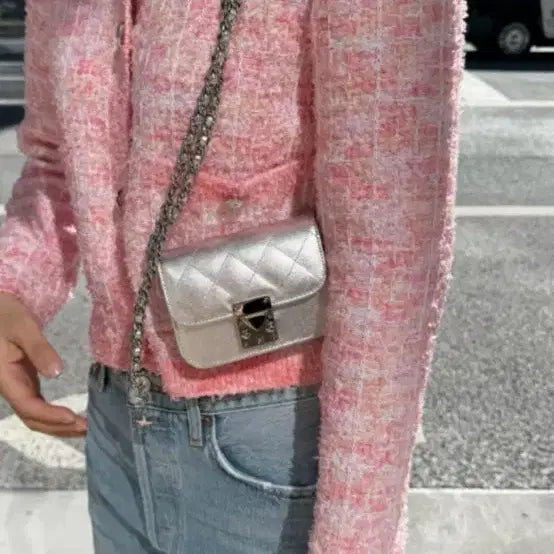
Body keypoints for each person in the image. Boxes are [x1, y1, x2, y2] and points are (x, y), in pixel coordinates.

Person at [0, 1, 467, 553]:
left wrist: (355, 536)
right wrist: (14, 283)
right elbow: (55, 157)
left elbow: (389, 248)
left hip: (275, 435)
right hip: (116, 419)